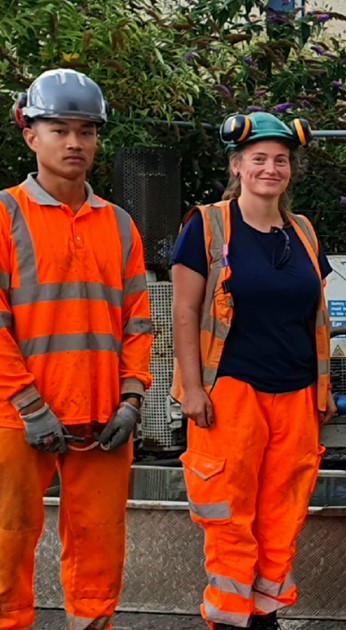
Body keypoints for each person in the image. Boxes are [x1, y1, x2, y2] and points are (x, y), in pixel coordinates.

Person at [0, 67, 151, 630]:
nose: (74, 143)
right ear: (29, 133)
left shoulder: (119, 225)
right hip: (17, 418)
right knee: (7, 539)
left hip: (101, 414)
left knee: (100, 542)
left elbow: (138, 323)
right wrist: (31, 406)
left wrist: (132, 398)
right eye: (59, 129)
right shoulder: (5, 215)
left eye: (86, 131)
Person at [172, 111, 334, 630]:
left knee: (282, 515)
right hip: (231, 394)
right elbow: (183, 312)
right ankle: (228, 620)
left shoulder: (304, 232)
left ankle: (264, 615)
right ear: (237, 165)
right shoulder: (208, 224)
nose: (271, 168)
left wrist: (324, 390)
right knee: (229, 516)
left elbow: (317, 317)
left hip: (296, 395)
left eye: (281, 160)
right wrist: (192, 389)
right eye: (259, 159)